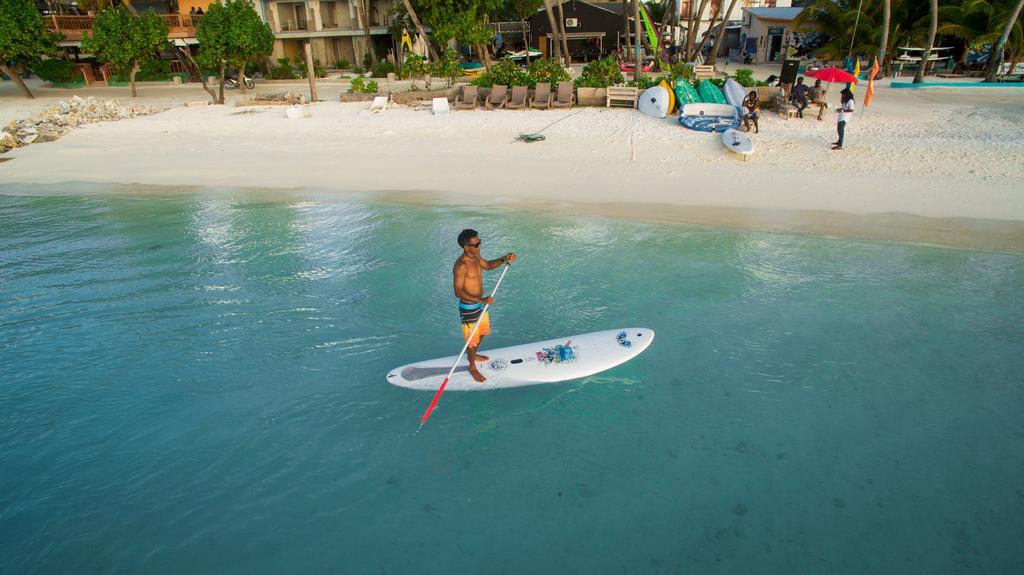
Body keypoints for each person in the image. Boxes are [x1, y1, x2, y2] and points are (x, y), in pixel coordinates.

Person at [453, 229, 516, 383]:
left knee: (483, 332)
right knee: (472, 340)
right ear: (466, 247)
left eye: (479, 243)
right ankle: (472, 366)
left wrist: (503, 259)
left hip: (480, 304)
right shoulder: (461, 265)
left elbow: (487, 265)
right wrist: (480, 300)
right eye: (475, 245)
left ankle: (472, 354)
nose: (479, 247)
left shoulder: (476, 257)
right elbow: (458, 292)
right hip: (469, 307)